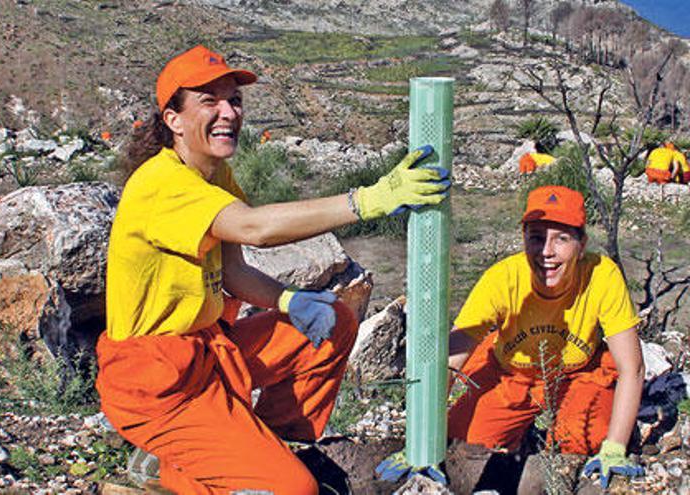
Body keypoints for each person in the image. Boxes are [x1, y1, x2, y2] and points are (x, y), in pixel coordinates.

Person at [94, 45, 450, 494]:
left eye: (234, 101)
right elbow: (254, 228)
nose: (228, 112)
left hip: (207, 353)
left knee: (335, 320)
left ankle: (262, 447)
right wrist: (366, 200)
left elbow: (233, 272)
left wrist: (290, 300)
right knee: (295, 491)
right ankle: (187, 469)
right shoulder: (161, 184)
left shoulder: (213, 174)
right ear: (173, 120)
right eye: (209, 101)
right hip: (158, 383)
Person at [378, 185, 645, 489]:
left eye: (562, 238)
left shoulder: (601, 275)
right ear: (524, 240)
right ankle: (522, 435)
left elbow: (631, 368)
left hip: (577, 374)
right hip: (512, 374)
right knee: (463, 440)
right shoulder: (502, 279)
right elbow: (452, 359)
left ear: (581, 244)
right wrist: (421, 440)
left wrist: (615, 447)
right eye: (536, 237)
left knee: (586, 439)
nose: (546, 251)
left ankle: (553, 436)